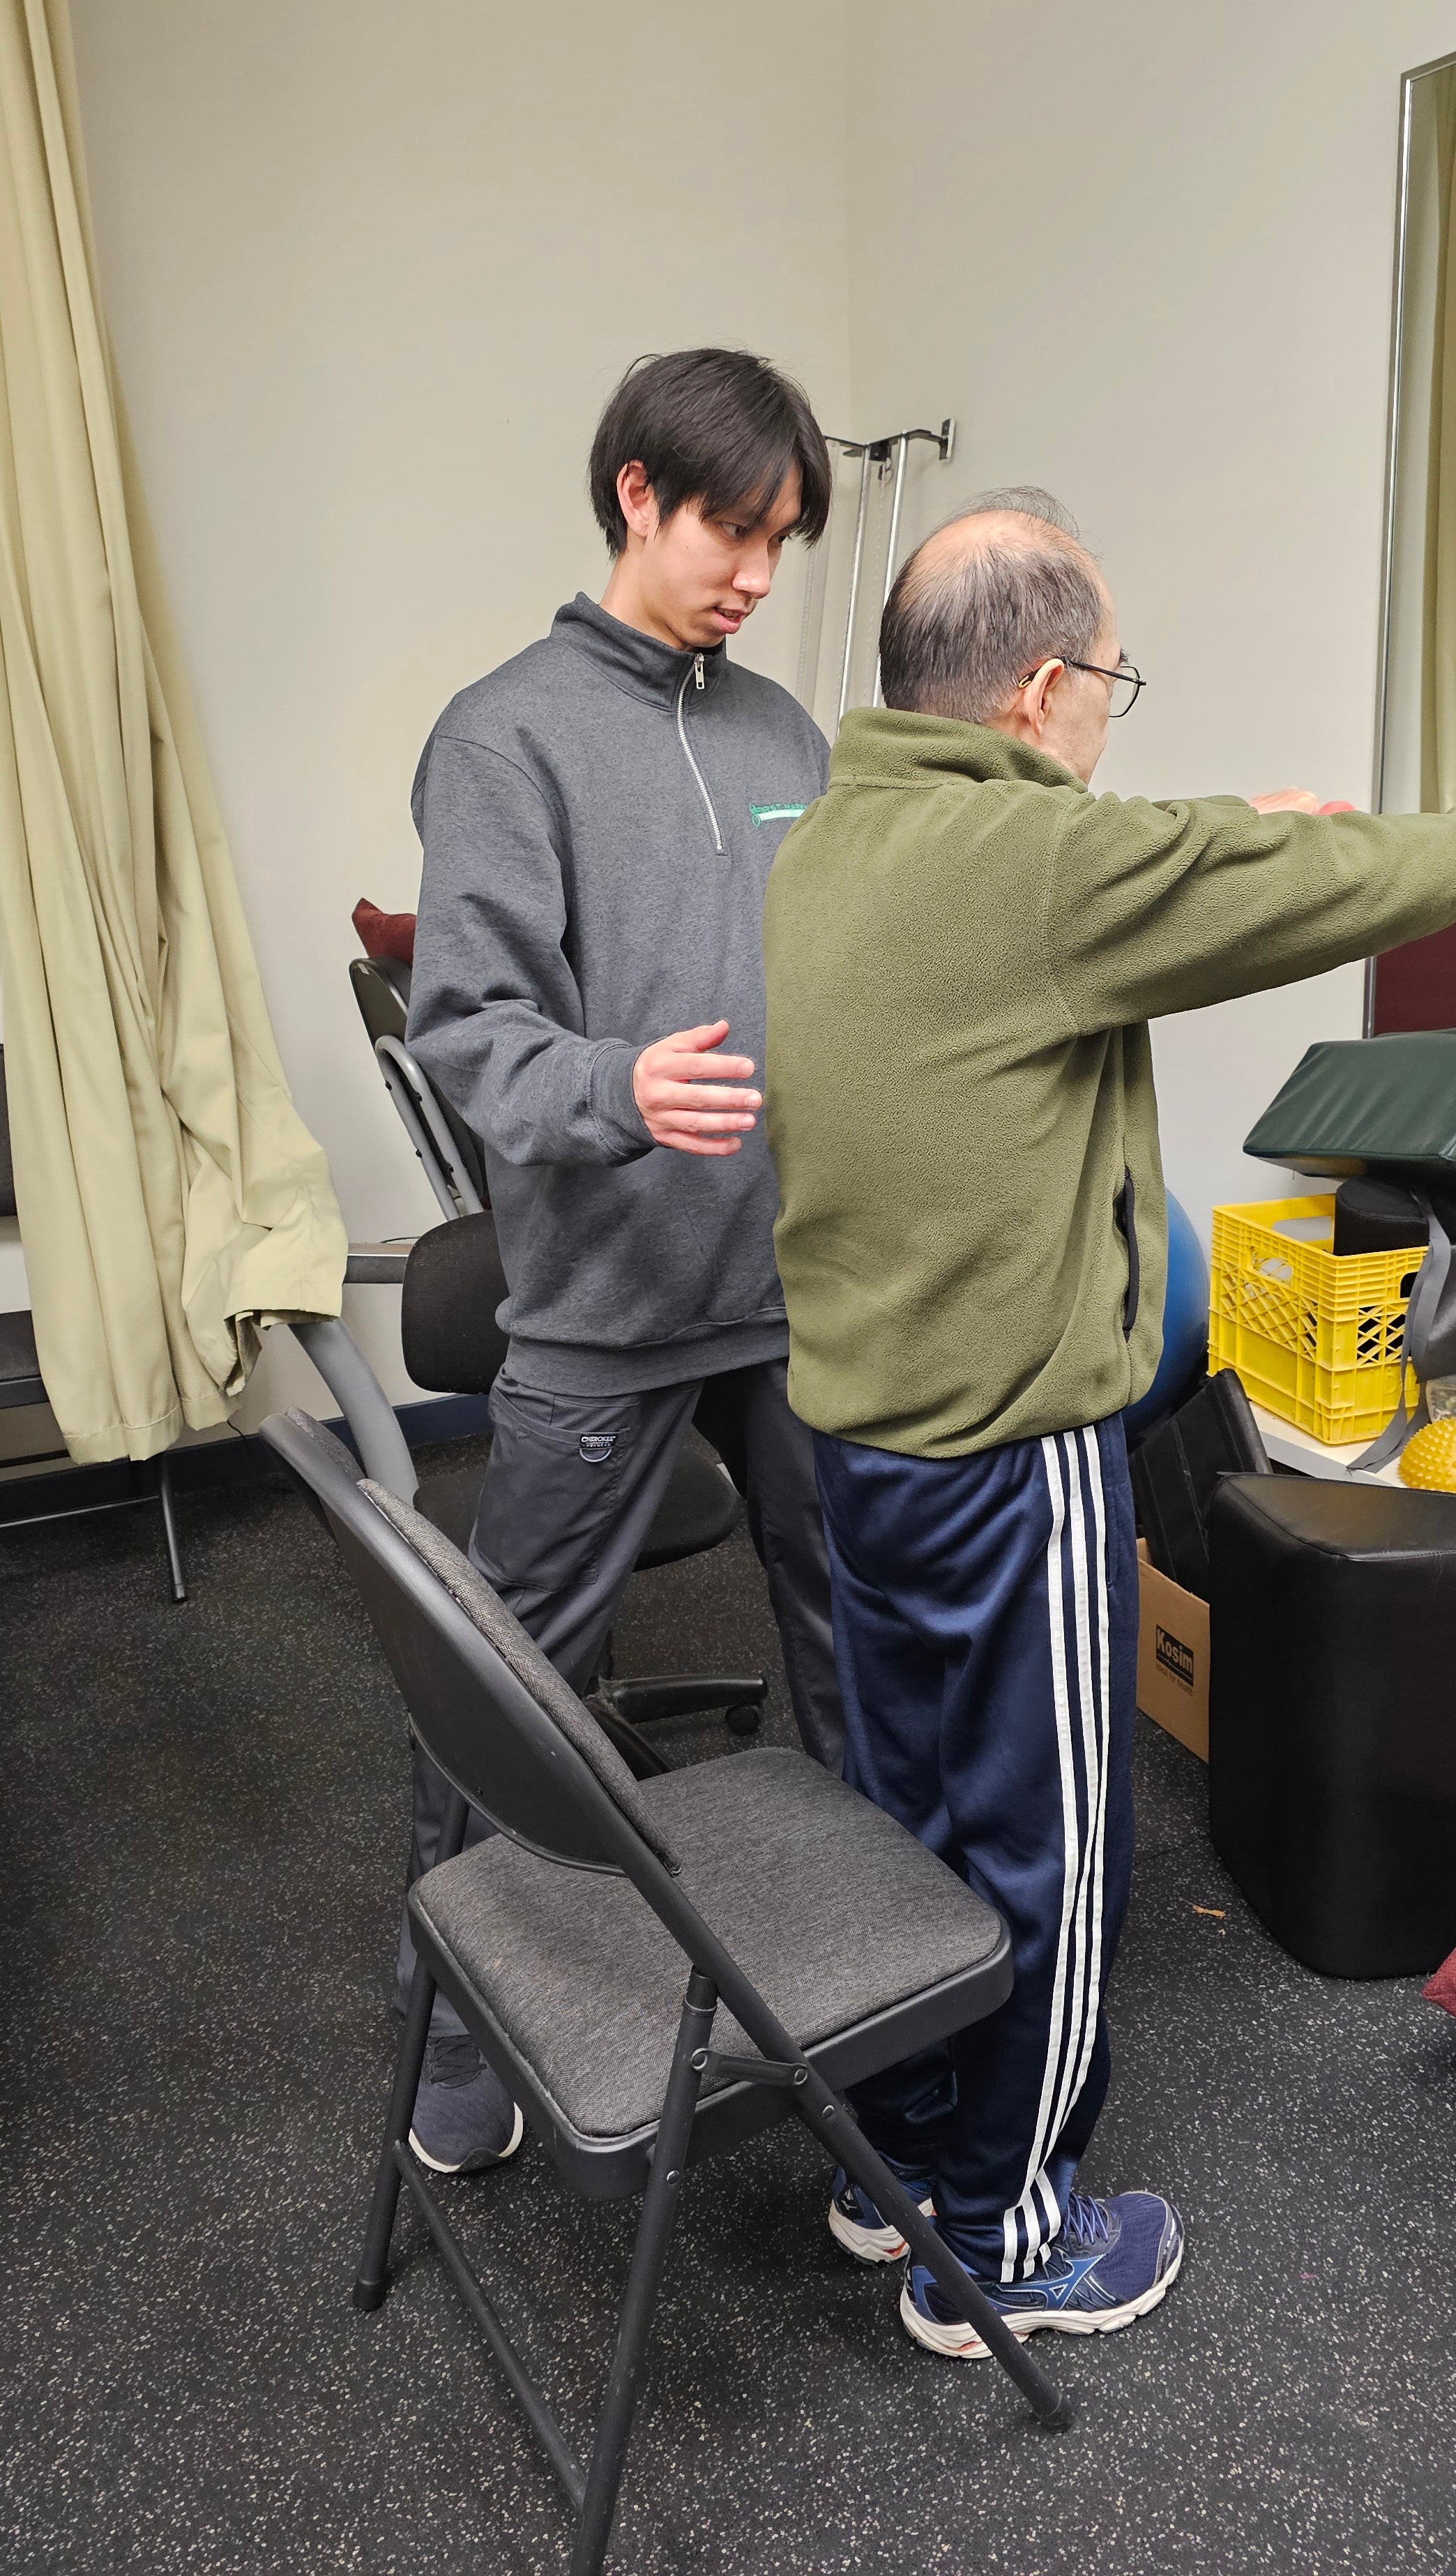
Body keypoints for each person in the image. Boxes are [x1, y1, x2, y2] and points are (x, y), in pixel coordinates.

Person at [761, 486, 1456, 2357]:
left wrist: (1242, 825)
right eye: (1106, 682)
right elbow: (1273, 894)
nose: (1109, 714)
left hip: (858, 1440)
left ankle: (893, 2162)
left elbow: (1144, 847)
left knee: (906, 1822)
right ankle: (1004, 2240)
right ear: (1040, 687)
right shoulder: (1030, 876)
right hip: (1007, 1456)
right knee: (1044, 1839)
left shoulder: (834, 831)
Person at [400, 347, 846, 2171]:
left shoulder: (782, 734)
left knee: (847, 1641)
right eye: (731, 528)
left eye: (783, 541)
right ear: (638, 494)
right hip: (600, 1301)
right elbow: (466, 1029)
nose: (753, 572)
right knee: (509, 1681)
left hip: (796, 1290)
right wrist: (615, 1085)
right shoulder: (503, 734)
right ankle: (450, 2034)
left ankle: (841, 1987)